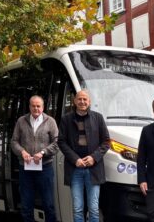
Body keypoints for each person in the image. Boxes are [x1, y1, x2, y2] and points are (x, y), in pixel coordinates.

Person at [58, 90, 110, 222]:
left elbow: (106, 142)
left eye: (85, 99)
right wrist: (75, 159)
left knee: (93, 208)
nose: (82, 102)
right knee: (77, 208)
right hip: (75, 169)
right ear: (75, 101)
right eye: (79, 99)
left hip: (94, 169)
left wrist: (94, 157)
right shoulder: (66, 120)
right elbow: (61, 142)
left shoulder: (98, 118)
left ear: (89, 102)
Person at [11, 95, 59, 222]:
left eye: (38, 106)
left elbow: (57, 142)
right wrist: (22, 152)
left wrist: (43, 152)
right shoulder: (21, 121)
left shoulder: (50, 121)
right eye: (33, 106)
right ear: (29, 107)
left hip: (45, 167)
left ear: (43, 107)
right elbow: (14, 142)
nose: (36, 108)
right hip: (25, 168)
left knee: (48, 204)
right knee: (26, 205)